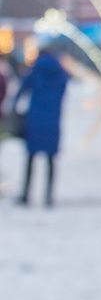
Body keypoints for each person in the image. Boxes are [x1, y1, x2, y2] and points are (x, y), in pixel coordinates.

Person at [13, 46, 69, 206]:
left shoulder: (35, 70)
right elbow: (64, 89)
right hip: (53, 120)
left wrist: (14, 109)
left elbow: (22, 89)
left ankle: (25, 194)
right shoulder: (60, 72)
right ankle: (48, 196)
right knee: (50, 160)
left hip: (35, 119)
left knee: (30, 158)